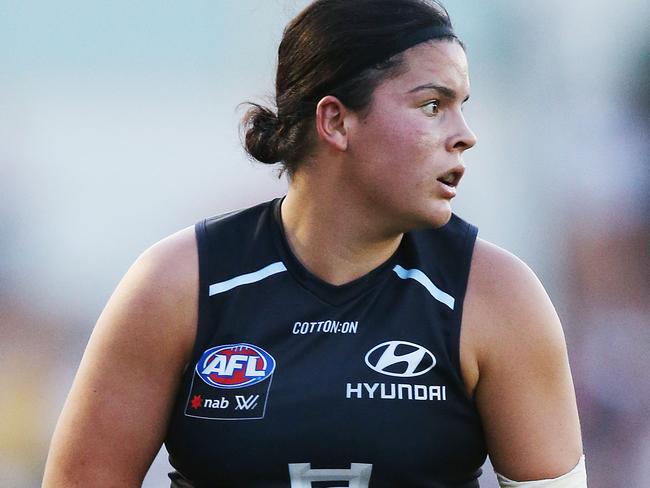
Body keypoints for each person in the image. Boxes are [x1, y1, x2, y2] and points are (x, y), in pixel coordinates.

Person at [42, 0, 586, 486]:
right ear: (336, 121)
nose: (464, 133)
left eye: (462, 104)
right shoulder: (178, 285)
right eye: (431, 105)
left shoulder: (499, 298)